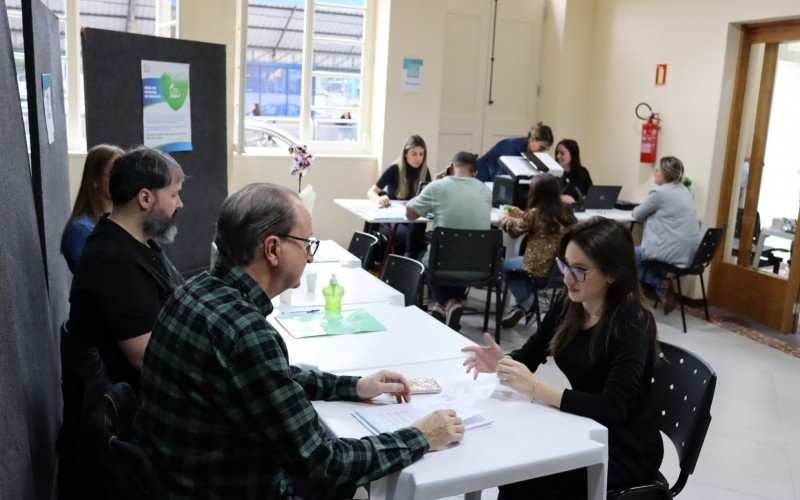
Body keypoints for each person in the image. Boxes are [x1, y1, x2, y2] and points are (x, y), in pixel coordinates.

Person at [135, 183, 465, 498]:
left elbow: (272, 378)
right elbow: (324, 463)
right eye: (307, 243)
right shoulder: (247, 333)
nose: (310, 256)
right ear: (273, 249)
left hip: (175, 478)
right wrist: (421, 435)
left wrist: (354, 386)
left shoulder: (191, 292)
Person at [462, 217, 663, 499]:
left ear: (613, 273)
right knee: (514, 463)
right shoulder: (569, 303)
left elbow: (611, 408)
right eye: (565, 266)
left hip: (625, 446)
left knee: (526, 475)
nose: (567, 279)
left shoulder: (632, 323)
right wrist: (504, 362)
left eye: (580, 270)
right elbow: (531, 353)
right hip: (582, 424)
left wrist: (535, 389)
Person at [66, 146, 185, 392]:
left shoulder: (140, 241)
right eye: (174, 195)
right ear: (145, 198)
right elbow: (144, 355)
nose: (180, 204)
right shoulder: (114, 259)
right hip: (135, 410)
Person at [406, 151, 492, 331]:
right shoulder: (485, 189)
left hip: (443, 264)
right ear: (475, 172)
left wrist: (417, 197)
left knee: (420, 254)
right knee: (454, 257)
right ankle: (448, 305)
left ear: (451, 168)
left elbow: (411, 214)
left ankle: (447, 303)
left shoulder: (438, 186)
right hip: (479, 267)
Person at [498, 174, 577, 327]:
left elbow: (514, 230)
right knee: (516, 268)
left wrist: (504, 218)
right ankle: (524, 306)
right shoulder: (566, 211)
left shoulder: (535, 213)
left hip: (537, 270)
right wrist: (522, 214)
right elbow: (544, 221)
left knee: (503, 267)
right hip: (560, 270)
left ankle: (527, 304)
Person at [632, 156, 701, 314]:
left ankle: (660, 284)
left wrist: (636, 209)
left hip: (672, 251)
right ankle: (662, 289)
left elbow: (637, 215)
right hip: (691, 253)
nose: (655, 174)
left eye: (657, 171)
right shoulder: (684, 190)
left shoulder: (659, 193)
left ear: (665, 174)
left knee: (626, 257)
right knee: (644, 256)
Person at [60, 144, 124, 272]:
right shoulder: (81, 229)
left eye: (124, 172)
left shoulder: (120, 222)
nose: (122, 178)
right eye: (114, 172)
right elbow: (97, 281)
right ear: (95, 179)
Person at [367, 135, 431, 258]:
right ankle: (409, 262)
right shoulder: (394, 169)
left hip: (415, 221)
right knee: (413, 238)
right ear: (405, 154)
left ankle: (410, 265)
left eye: (421, 154)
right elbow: (371, 192)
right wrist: (379, 198)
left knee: (416, 232)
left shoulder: (424, 171)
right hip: (395, 220)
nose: (418, 158)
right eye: (414, 154)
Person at [476, 122, 554, 182]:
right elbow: (502, 176)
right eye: (541, 148)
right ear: (533, 139)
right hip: (484, 175)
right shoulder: (512, 147)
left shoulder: (529, 151)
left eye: (544, 150)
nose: (541, 153)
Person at [555, 139, 593, 205]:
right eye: (557, 153)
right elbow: (544, 196)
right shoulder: (552, 172)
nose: (557, 156)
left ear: (573, 155)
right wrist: (560, 198)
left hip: (577, 211)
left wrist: (583, 199)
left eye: (562, 153)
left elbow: (590, 195)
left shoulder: (583, 172)